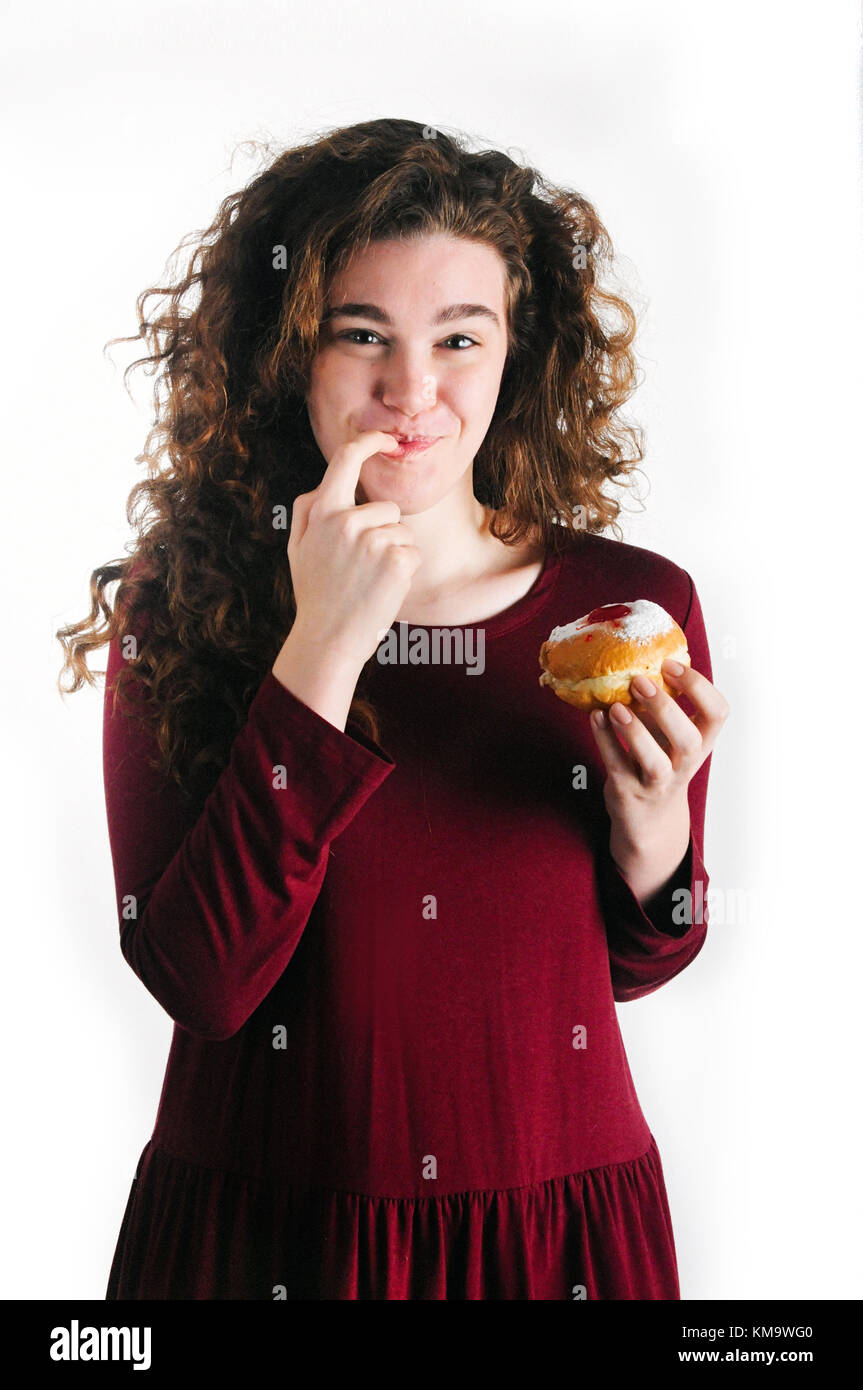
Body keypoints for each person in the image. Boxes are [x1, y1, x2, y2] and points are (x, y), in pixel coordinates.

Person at [56, 117, 729, 1300]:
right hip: (263, 1240)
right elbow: (200, 983)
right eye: (359, 334)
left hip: (552, 1234)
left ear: (516, 353)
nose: (410, 392)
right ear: (287, 354)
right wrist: (318, 646)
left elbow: (635, 963)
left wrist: (652, 837)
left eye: (457, 337)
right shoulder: (187, 601)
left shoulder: (630, 608)